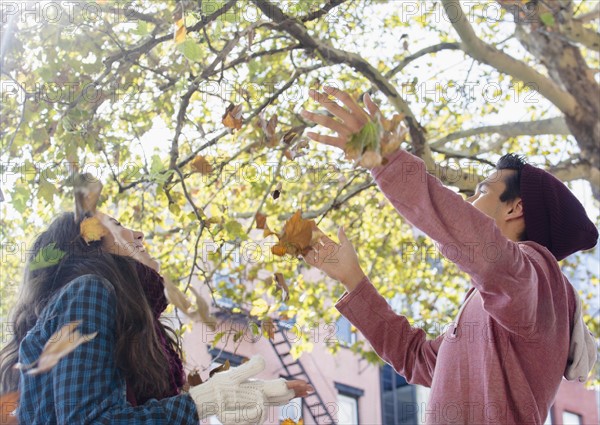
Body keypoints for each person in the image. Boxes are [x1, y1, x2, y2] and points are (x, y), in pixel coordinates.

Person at [300, 87, 598, 424]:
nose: (468, 200)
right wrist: (354, 281)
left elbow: (482, 247)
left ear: (516, 207)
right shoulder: (495, 304)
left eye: (482, 191)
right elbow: (416, 358)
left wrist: (386, 160)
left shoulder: (539, 279)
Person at [0, 179, 312, 424]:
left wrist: (227, 408)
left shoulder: (139, 331)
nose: (138, 233)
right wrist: (206, 400)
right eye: (116, 226)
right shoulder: (89, 292)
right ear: (89, 249)